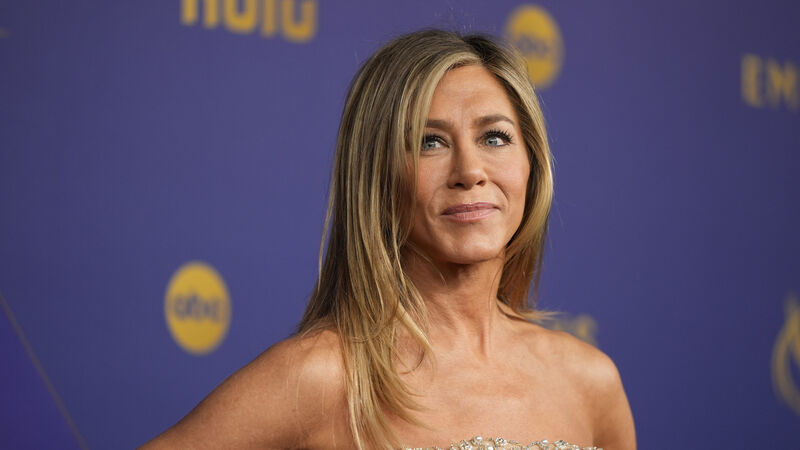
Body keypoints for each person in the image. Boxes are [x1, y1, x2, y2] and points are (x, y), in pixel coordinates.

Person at [142, 29, 636, 450]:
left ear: (532, 164)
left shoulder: (590, 381)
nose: (470, 171)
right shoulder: (326, 376)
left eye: (494, 137)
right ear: (376, 177)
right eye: (429, 142)